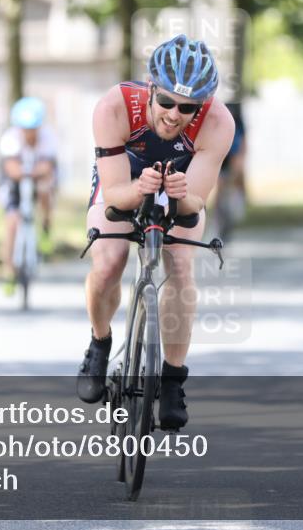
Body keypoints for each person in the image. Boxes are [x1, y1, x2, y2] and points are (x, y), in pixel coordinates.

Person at [78, 34, 235, 430]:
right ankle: (99, 342)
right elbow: (114, 193)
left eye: (187, 107)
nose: (174, 114)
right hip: (125, 179)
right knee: (109, 261)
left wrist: (180, 197)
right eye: (166, 101)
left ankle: (171, 378)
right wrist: (139, 189)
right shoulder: (114, 107)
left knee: (181, 268)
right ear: (150, 90)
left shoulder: (218, 122)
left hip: (180, 184)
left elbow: (195, 203)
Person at [0, 97, 58, 295]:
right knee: (12, 222)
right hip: (13, 183)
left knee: (45, 189)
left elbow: (47, 168)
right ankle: (9, 271)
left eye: (33, 128)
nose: (30, 133)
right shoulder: (10, 139)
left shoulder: (48, 138)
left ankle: (45, 227)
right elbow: (12, 170)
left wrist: (33, 172)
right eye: (25, 129)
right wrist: (32, 171)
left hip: (37, 179)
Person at [214, 101, 247, 241]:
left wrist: (240, 160)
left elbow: (243, 142)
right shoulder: (219, 117)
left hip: (233, 158)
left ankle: (235, 213)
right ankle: (219, 222)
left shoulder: (239, 121)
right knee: (220, 192)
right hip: (222, 158)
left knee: (235, 186)